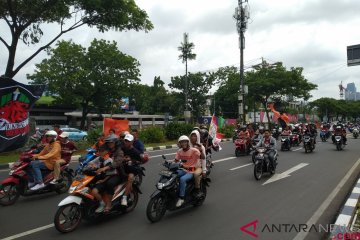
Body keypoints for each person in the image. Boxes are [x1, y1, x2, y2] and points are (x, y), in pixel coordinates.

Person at [94, 134, 127, 210]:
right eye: (108, 143)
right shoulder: (107, 150)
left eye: (111, 142)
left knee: (109, 184)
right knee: (94, 181)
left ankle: (109, 204)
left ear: (116, 143)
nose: (109, 144)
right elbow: (99, 157)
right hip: (106, 173)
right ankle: (99, 201)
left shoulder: (119, 152)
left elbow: (117, 163)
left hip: (117, 173)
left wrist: (106, 167)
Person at [88, 145, 117, 213]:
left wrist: (103, 180)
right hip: (99, 177)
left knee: (94, 191)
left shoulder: (109, 161)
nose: (99, 152)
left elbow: (111, 174)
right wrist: (93, 166)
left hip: (106, 179)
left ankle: (102, 204)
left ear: (106, 152)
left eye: (101, 151)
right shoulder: (100, 158)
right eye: (99, 151)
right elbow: (90, 163)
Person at [175, 135, 201, 207]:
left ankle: (181, 198)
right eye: (181, 142)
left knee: (182, 179)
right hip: (183, 169)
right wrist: (169, 163)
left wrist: (201, 148)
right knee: (173, 175)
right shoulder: (179, 151)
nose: (183, 144)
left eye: (185, 142)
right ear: (179, 144)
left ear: (188, 142)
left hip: (192, 169)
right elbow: (175, 160)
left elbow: (202, 157)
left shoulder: (194, 150)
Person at [121, 134, 143, 206]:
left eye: (128, 141)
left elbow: (140, 161)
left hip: (131, 169)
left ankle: (124, 197)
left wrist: (131, 160)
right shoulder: (122, 148)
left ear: (132, 142)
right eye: (125, 141)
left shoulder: (135, 152)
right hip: (122, 167)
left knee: (130, 178)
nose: (126, 142)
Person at [189, 130, 207, 198]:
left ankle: (197, 190)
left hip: (197, 167)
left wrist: (204, 170)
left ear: (198, 137)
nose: (193, 137)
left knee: (196, 174)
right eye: (192, 136)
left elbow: (203, 159)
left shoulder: (201, 147)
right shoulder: (188, 146)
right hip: (188, 167)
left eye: (195, 136)